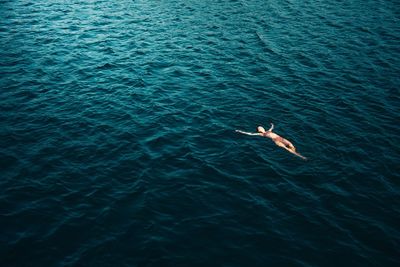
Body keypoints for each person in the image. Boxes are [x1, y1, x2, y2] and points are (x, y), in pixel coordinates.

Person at [236, 123, 307, 160]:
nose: (261, 127)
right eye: (260, 127)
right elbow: (250, 134)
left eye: (261, 126)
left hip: (280, 138)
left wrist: (272, 125)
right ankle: (300, 156)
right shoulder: (262, 134)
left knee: (290, 144)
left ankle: (295, 152)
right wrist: (240, 131)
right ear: (259, 130)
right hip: (276, 141)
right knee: (286, 148)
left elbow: (271, 128)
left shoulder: (268, 131)